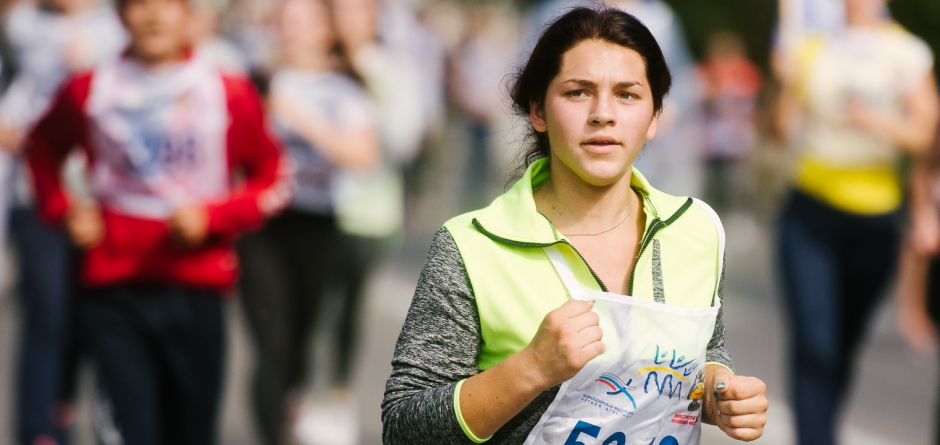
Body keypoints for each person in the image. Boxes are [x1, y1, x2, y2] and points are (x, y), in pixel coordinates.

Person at [382, 6, 768, 444]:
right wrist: (529, 369)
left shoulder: (697, 228)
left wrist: (718, 392)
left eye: (627, 94)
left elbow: (704, 350)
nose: (603, 113)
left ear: (655, 116)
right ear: (538, 110)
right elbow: (404, 428)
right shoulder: (471, 246)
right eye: (578, 92)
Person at [24, 0, 288, 441]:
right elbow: (40, 147)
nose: (153, 15)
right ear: (121, 14)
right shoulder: (89, 89)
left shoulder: (227, 91)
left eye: (168, 4)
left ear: (189, 14)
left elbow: (274, 176)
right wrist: (64, 211)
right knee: (132, 431)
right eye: (139, 3)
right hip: (115, 290)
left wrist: (214, 216)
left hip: (197, 289)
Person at [772, 0, 940, 443]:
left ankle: (822, 429)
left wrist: (877, 121)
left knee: (840, 350)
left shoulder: (907, 53)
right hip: (810, 211)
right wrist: (787, 86)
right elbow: (779, 128)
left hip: (875, 221)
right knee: (815, 345)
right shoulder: (813, 48)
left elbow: (925, 133)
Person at [236, 0, 384, 444]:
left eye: (303, 21)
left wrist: (296, 115)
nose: (292, 29)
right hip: (263, 225)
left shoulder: (345, 88)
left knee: (299, 344)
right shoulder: (255, 79)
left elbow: (363, 156)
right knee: (272, 341)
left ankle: (288, 415)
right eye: (286, 19)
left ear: (326, 28)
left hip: (318, 224)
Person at [0, 0, 126, 443]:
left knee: (99, 319)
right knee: (47, 315)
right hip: (37, 192)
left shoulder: (123, 24)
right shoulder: (20, 24)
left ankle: (95, 417)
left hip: (104, 197)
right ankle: (41, 429)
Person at [696, 31, 762, 214]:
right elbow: (699, 99)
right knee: (709, 198)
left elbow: (749, 108)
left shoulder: (747, 73)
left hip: (737, 149)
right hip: (710, 148)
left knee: (737, 198)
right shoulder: (705, 72)